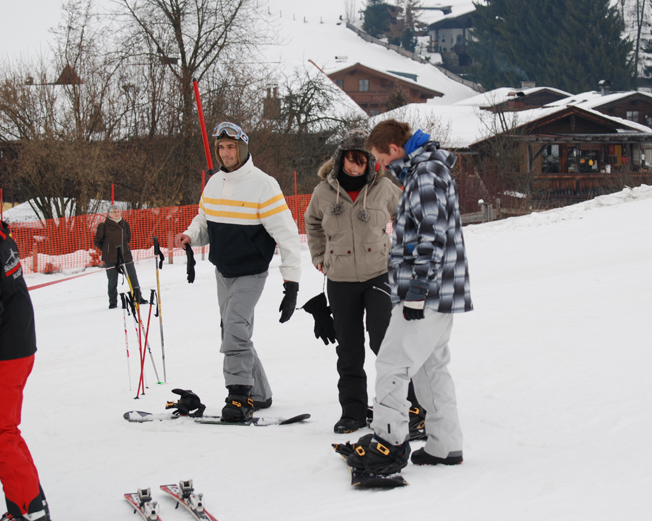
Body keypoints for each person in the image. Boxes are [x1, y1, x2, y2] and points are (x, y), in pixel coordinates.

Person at [335, 119, 473, 475]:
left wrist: (415, 292)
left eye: (380, 159)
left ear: (395, 150)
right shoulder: (426, 170)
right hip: (438, 293)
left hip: (425, 294)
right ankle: (445, 444)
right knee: (430, 368)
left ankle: (390, 442)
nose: (381, 167)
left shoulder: (425, 174)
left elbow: (432, 238)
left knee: (392, 364)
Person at [174, 121, 301, 422]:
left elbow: (287, 235)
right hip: (223, 271)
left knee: (234, 329)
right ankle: (260, 393)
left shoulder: (263, 184)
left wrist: (291, 282)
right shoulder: (214, 183)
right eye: (221, 147)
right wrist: (191, 235)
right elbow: (204, 220)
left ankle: (239, 395)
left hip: (251, 271)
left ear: (242, 148)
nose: (226, 153)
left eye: (231, 147)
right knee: (234, 331)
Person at [304, 128, 404, 434]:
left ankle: (407, 405)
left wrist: (403, 252)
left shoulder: (384, 188)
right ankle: (353, 412)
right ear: (340, 159)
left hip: (378, 274)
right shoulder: (324, 192)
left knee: (383, 341)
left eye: (361, 160)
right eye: (349, 159)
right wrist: (319, 254)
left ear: (370, 162)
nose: (354, 166)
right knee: (348, 349)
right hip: (340, 279)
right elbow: (312, 224)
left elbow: (407, 216)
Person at [0, 207, 51, 521]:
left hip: (5, 352)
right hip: (16, 345)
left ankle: (29, 514)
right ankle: (32, 501)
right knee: (5, 431)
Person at [94, 205, 147, 308]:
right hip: (111, 258)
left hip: (125, 256)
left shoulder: (125, 224)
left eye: (118, 211)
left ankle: (138, 298)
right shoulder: (104, 226)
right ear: (109, 214)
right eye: (114, 212)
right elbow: (97, 242)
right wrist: (107, 249)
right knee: (112, 281)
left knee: (133, 278)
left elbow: (128, 239)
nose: (117, 213)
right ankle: (113, 303)